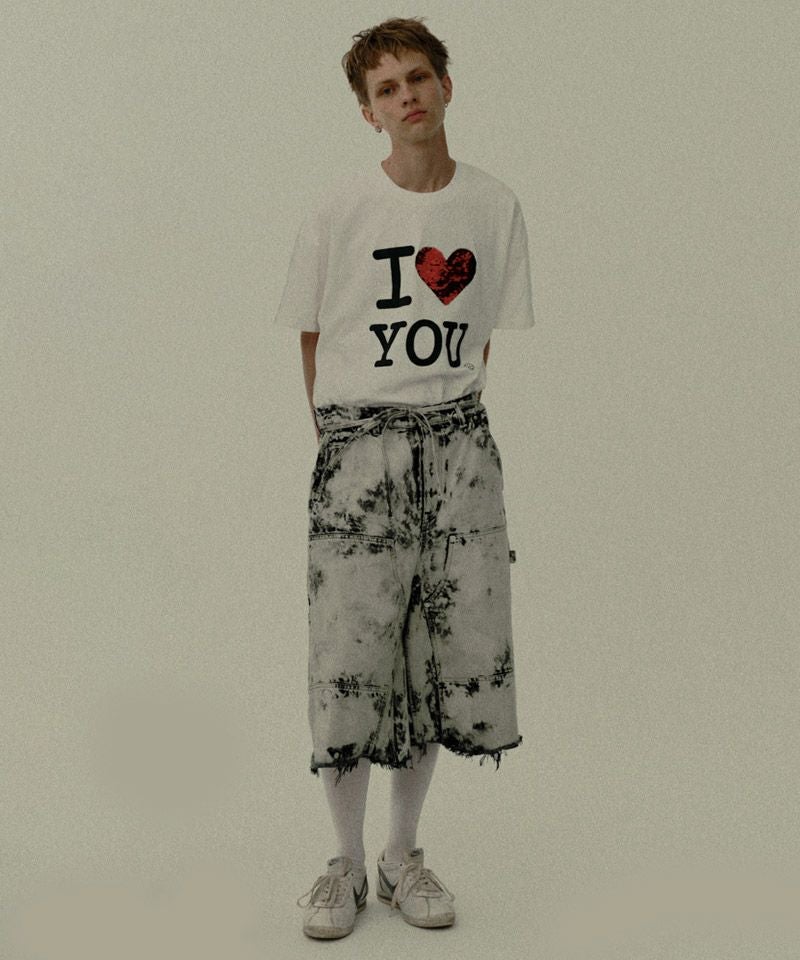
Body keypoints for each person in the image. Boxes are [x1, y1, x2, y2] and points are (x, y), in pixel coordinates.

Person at [274, 16, 535, 940]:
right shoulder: (338, 209)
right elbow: (312, 333)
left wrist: (444, 429)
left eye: (419, 77)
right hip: (360, 449)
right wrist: (346, 444)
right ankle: (343, 862)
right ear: (368, 111)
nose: (408, 97)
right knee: (351, 657)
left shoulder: (492, 206)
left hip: (459, 446)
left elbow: (483, 336)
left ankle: (401, 853)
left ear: (446, 85)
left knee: (436, 655)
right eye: (386, 89)